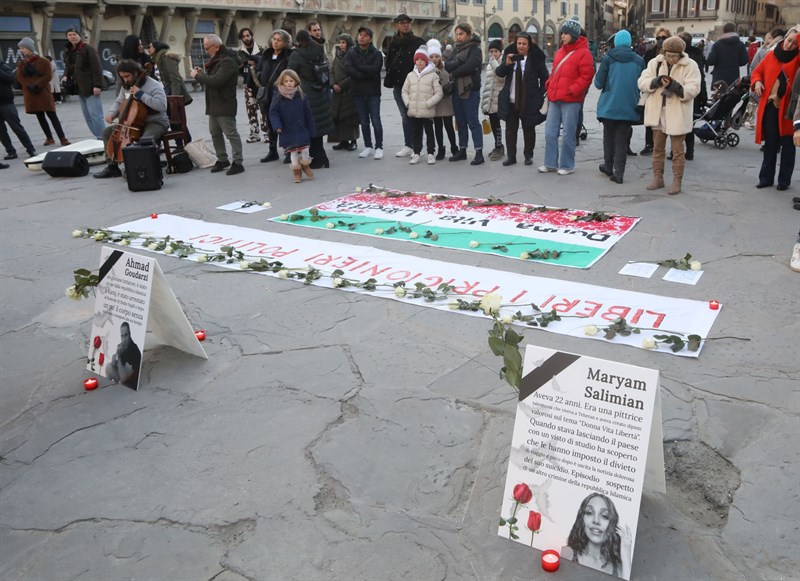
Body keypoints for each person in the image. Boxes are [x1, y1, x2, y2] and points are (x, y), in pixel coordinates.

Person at [638, 35, 701, 195]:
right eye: (669, 55)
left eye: (674, 56)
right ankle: (658, 178)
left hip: (678, 113)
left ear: (681, 54)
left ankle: (676, 181)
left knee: (678, 150)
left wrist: (676, 87)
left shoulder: (690, 65)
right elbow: (642, 81)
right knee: (657, 148)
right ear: (664, 52)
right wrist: (656, 81)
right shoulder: (655, 63)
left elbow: (694, 88)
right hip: (657, 112)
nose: (671, 59)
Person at [93, 59, 169, 179]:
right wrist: (112, 114)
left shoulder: (153, 85)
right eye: (122, 77)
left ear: (135, 73)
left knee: (145, 140)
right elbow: (119, 101)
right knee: (107, 132)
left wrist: (141, 95)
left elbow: (161, 106)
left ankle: (142, 167)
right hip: (133, 122)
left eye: (127, 76)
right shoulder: (127, 86)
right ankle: (112, 167)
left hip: (155, 121)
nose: (125, 80)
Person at [540, 17, 594, 175]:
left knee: (569, 134)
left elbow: (587, 76)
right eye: (562, 33)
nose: (562, 36)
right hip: (555, 98)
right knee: (550, 132)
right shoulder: (559, 53)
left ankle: (567, 165)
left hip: (571, 100)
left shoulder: (584, 53)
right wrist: (549, 84)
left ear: (574, 35)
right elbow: (554, 72)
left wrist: (572, 90)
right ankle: (550, 163)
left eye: (565, 33)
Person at [750, 26, 798, 191]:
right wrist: (757, 82)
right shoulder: (771, 54)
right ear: (785, 38)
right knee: (770, 144)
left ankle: (784, 181)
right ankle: (766, 178)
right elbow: (757, 71)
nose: (789, 45)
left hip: (789, 109)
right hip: (770, 106)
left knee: (788, 146)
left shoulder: (798, 58)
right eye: (789, 40)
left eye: (794, 43)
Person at [190, 35, 244, 176]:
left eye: (207, 48)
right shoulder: (219, 59)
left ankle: (238, 162)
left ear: (217, 46)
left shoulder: (228, 61)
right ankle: (222, 159)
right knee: (215, 133)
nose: (206, 50)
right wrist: (202, 73)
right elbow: (214, 78)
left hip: (224, 102)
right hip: (214, 103)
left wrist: (197, 76)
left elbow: (217, 81)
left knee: (231, 133)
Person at [594, 29, 642, 183]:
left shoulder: (608, 58)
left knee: (608, 137)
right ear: (629, 43)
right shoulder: (639, 61)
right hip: (629, 105)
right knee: (621, 139)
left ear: (615, 42)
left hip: (609, 105)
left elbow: (598, 83)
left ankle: (608, 167)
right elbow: (643, 84)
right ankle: (619, 173)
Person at [495, 32, 548, 167]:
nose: (521, 46)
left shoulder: (536, 58)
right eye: (519, 43)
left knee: (529, 128)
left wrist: (540, 93)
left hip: (529, 100)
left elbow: (545, 77)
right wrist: (506, 64)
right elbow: (499, 73)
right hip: (511, 99)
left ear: (529, 45)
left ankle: (528, 155)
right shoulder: (510, 56)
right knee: (510, 129)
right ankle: (511, 156)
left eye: (524, 44)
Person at [288, 29, 334, 169]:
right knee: (318, 128)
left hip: (306, 93)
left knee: (309, 127)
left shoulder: (296, 54)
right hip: (319, 90)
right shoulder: (319, 49)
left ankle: (317, 158)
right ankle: (323, 158)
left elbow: (290, 73)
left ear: (299, 41)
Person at [562, 493, 632, 579]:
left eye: (604, 516)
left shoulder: (620, 568)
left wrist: (626, 559)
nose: (596, 520)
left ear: (612, 523)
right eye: (589, 512)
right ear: (582, 519)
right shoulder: (566, 553)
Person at [15, 38, 70, 149]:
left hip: (43, 91)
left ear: (30, 48)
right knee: (40, 116)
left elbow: (48, 76)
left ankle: (62, 138)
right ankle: (49, 138)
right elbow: (19, 77)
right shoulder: (22, 63)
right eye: (20, 48)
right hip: (31, 93)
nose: (21, 50)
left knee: (52, 115)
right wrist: (28, 85)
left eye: (23, 48)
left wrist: (36, 84)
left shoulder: (44, 61)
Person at [384, 13, 425, 157]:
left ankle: (417, 146)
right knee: (404, 116)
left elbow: (424, 63)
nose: (405, 25)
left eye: (407, 22)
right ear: (397, 25)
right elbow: (388, 61)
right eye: (402, 23)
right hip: (398, 86)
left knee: (415, 116)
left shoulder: (418, 42)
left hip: (414, 86)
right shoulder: (393, 42)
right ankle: (409, 145)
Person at [445, 22, 484, 165]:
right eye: (456, 34)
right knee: (460, 122)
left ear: (468, 35)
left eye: (461, 34)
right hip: (456, 89)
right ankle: (462, 150)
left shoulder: (475, 49)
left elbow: (470, 66)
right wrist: (457, 65)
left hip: (470, 89)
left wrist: (455, 70)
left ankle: (479, 152)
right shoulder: (455, 49)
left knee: (472, 121)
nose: (458, 37)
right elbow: (447, 64)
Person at [269, 69, 316, 183]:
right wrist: (277, 126)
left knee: (305, 149)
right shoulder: (278, 97)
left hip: (301, 127)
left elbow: (308, 114)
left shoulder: (301, 96)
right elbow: (273, 112)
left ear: (296, 82)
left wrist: (311, 128)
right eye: (286, 81)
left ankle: (305, 165)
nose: (289, 83)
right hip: (287, 129)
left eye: (291, 80)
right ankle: (297, 172)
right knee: (293, 152)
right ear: (282, 82)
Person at [345, 26, 384, 160]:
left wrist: (359, 69)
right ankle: (368, 146)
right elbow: (349, 68)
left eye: (365, 35)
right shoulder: (351, 52)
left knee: (376, 120)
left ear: (371, 39)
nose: (361, 37)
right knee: (364, 120)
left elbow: (375, 69)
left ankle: (379, 147)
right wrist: (363, 73)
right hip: (358, 91)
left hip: (373, 91)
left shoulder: (377, 53)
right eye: (360, 34)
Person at [401, 44, 442, 165]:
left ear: (426, 61)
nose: (419, 62)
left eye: (422, 60)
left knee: (429, 132)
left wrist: (428, 103)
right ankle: (416, 152)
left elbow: (438, 93)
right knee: (415, 132)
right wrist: (408, 102)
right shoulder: (410, 75)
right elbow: (404, 91)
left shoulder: (433, 75)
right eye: (417, 60)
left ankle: (430, 153)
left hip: (427, 110)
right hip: (414, 110)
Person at [256, 29, 292, 163]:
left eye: (279, 40)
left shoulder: (288, 56)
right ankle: (272, 150)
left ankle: (289, 150)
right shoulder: (266, 54)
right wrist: (260, 77)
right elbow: (259, 69)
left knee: (285, 122)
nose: (275, 42)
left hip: (282, 93)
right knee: (271, 122)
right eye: (274, 39)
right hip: (268, 94)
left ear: (285, 43)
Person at [63, 26, 105, 139]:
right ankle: (97, 136)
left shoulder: (87, 48)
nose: (72, 37)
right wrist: (65, 76)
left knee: (95, 115)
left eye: (74, 34)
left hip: (90, 87)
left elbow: (97, 67)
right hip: (79, 87)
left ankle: (103, 137)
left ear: (79, 36)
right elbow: (68, 66)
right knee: (87, 116)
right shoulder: (69, 51)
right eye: (69, 35)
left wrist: (97, 85)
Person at [148, 41, 193, 144]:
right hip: (164, 94)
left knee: (179, 122)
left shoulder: (166, 58)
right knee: (172, 122)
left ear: (156, 48)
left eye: (150, 47)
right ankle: (180, 145)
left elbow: (175, 79)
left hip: (171, 94)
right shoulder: (156, 60)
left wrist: (174, 98)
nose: (148, 49)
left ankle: (188, 144)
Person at [639, 27, 670, 155]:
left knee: (666, 119)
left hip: (667, 92)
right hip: (652, 89)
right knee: (650, 118)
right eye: (658, 38)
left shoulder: (673, 55)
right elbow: (644, 73)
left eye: (664, 38)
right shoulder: (650, 54)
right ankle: (649, 144)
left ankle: (665, 146)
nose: (661, 40)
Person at [678, 31, 708, 161]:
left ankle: (676, 151)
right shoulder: (697, 54)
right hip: (694, 95)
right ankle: (690, 151)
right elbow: (701, 77)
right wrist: (703, 96)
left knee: (677, 123)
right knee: (689, 124)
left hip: (679, 92)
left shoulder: (679, 56)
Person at [427, 39, 458, 160]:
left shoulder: (446, 70)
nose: (434, 59)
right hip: (435, 104)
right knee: (438, 128)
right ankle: (441, 148)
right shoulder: (428, 72)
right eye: (431, 56)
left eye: (436, 56)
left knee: (449, 127)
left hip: (446, 102)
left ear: (440, 57)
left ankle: (454, 147)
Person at [0, 61, 36, 161]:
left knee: (17, 127)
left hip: (7, 103)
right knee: (1, 131)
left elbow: (11, 79)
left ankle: (30, 149)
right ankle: (10, 151)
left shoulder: (3, 67)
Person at [329, 33, 359, 152]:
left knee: (350, 117)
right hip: (337, 92)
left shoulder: (353, 55)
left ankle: (353, 141)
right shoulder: (337, 56)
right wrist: (333, 84)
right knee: (338, 117)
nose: (341, 45)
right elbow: (331, 71)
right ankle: (343, 140)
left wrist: (341, 85)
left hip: (348, 90)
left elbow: (353, 73)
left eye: (343, 42)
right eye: (340, 42)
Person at [237, 28, 266, 144]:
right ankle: (254, 133)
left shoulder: (261, 50)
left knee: (264, 109)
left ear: (251, 36)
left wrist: (254, 61)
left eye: (247, 35)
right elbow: (238, 66)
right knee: (251, 110)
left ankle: (267, 133)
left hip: (261, 84)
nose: (246, 38)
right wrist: (245, 63)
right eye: (243, 36)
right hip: (248, 85)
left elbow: (265, 63)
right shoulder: (240, 53)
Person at [481, 39, 505, 161]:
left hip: (499, 99)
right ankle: (498, 145)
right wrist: (484, 102)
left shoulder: (502, 62)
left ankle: (499, 147)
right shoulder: (490, 64)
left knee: (497, 125)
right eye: (491, 51)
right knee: (494, 124)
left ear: (500, 52)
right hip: (491, 99)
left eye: (496, 51)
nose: (493, 54)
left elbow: (501, 77)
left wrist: (495, 63)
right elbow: (488, 84)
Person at [707, 22, 748, 87]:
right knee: (732, 96)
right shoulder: (740, 44)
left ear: (724, 31)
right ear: (734, 31)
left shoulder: (717, 45)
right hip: (734, 77)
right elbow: (744, 61)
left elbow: (710, 61)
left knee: (719, 96)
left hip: (719, 77)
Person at [107, 322, 141, 390]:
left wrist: (118, 357)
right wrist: (117, 353)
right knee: (109, 367)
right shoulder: (122, 346)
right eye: (122, 336)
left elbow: (124, 378)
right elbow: (113, 363)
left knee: (122, 383)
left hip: (132, 382)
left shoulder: (134, 350)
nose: (124, 339)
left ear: (130, 335)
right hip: (123, 375)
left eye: (126, 335)